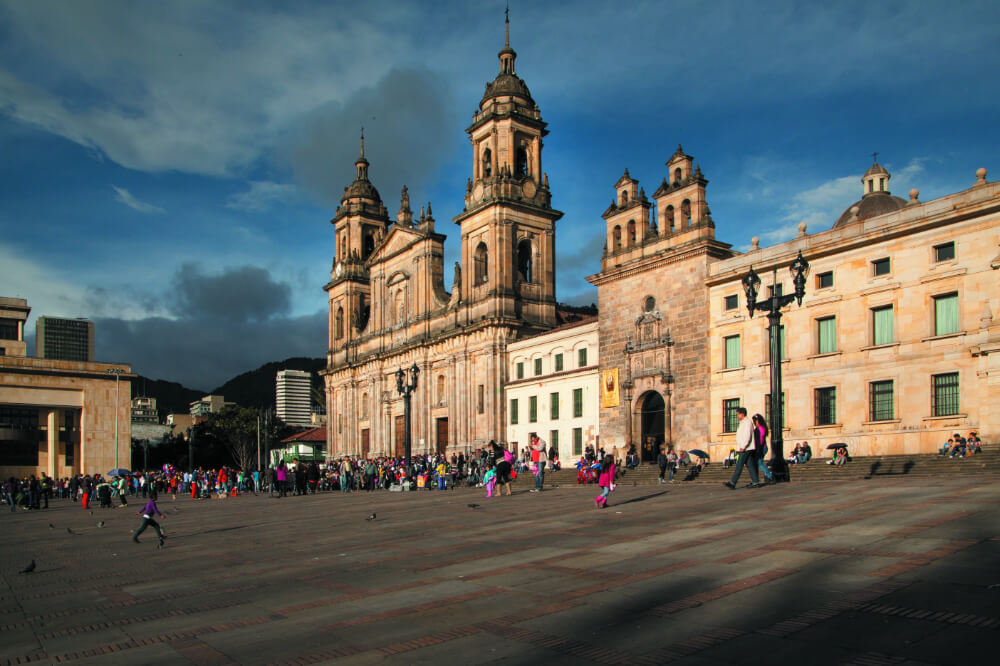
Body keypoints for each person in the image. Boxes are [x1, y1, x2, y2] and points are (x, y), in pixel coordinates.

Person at [724, 407, 760, 490]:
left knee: (739, 465)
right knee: (750, 465)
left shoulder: (747, 423)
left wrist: (743, 446)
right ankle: (756, 481)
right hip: (744, 447)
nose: (737, 416)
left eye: (738, 414)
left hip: (746, 448)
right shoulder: (743, 423)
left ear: (742, 414)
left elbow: (747, 436)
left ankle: (733, 482)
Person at [752, 414, 774, 484]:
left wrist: (759, 450)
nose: (754, 423)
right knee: (758, 463)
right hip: (760, 447)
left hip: (761, 448)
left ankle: (770, 476)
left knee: (759, 463)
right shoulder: (759, 428)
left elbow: (761, 439)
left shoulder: (761, 428)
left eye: (755, 421)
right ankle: (756, 479)